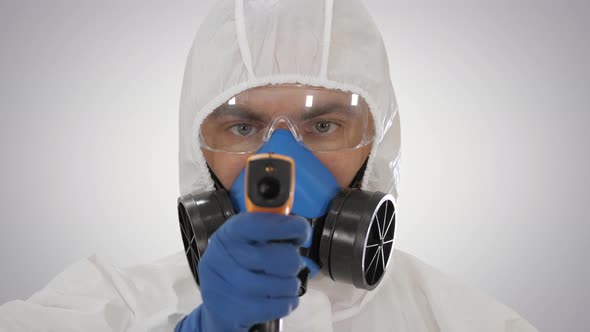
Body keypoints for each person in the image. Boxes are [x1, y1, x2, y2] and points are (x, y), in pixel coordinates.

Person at [0, 0, 539, 331]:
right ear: (197, 148)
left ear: (378, 144)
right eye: (242, 128)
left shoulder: (463, 320)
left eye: (323, 126)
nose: (280, 161)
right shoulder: (109, 304)